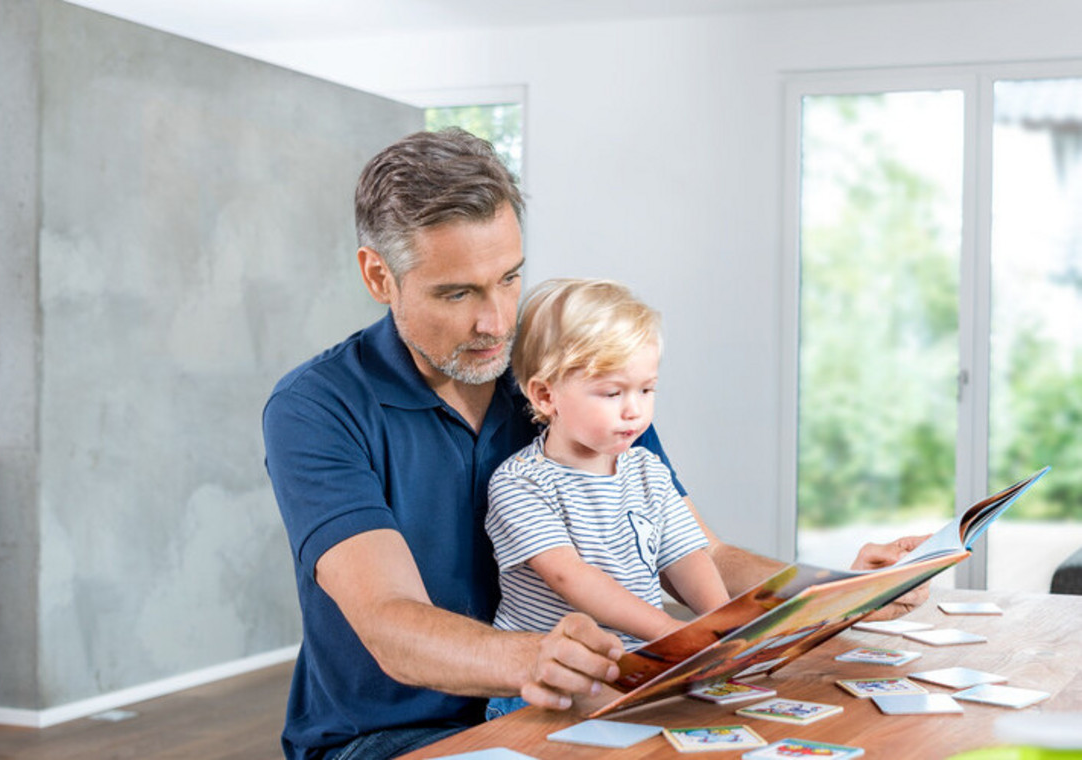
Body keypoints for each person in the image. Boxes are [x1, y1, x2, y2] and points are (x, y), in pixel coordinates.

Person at [262, 127, 929, 760]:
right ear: (379, 277)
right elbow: (388, 620)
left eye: (509, 278)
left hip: (573, 704)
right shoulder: (317, 408)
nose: (496, 322)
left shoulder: (569, 373)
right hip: (389, 735)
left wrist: (842, 589)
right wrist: (531, 657)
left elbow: (703, 555)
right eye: (458, 292)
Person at [483, 278, 732, 719]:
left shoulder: (647, 471)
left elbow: (687, 557)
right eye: (613, 393)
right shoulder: (521, 483)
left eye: (646, 389)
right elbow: (570, 578)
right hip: (549, 685)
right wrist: (670, 632)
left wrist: (724, 625)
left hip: (640, 670)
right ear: (546, 395)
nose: (634, 409)